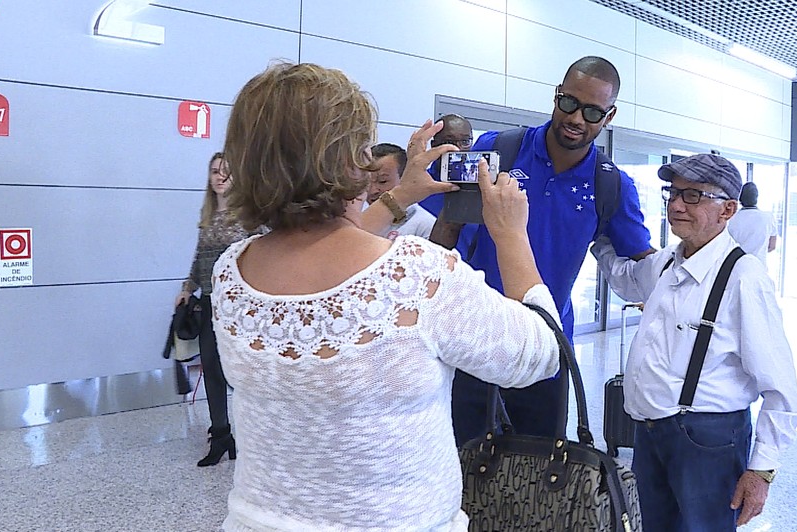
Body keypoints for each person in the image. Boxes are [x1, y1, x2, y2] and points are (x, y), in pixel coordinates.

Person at [211, 61, 561, 531]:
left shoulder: (231, 271)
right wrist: (511, 235)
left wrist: (400, 196)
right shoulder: (417, 274)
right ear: (350, 160)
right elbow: (540, 355)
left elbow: (326, 241)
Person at [590, 153, 797, 530]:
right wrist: (596, 237)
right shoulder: (664, 263)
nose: (677, 205)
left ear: (728, 209)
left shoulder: (744, 278)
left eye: (693, 195)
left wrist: (761, 470)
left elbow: (782, 389)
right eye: (673, 193)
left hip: (708, 442)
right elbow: (625, 278)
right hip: (649, 434)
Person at [441, 56, 654, 445]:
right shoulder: (497, 150)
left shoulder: (611, 185)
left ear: (609, 116)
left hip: (546, 345)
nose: (576, 118)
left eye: (592, 112)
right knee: (464, 459)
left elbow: (644, 262)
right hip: (475, 336)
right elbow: (446, 225)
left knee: (538, 468)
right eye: (569, 103)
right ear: (557, 96)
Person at [175, 152, 262, 467]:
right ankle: (221, 435)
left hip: (240, 307)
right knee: (211, 368)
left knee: (241, 373)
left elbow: (263, 255)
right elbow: (200, 258)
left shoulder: (249, 217)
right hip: (210, 304)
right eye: (214, 171)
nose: (220, 177)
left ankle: (252, 437)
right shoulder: (208, 216)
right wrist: (187, 289)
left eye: (226, 171)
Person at [366, 143, 435, 240]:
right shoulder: (358, 222)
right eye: (366, 183)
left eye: (382, 181)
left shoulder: (425, 225)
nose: (373, 191)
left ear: (404, 178)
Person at [726, 181, 778, 270]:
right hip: (759, 267)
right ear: (756, 197)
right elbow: (772, 246)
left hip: (735, 268)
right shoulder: (768, 217)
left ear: (740, 198)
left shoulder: (731, 218)